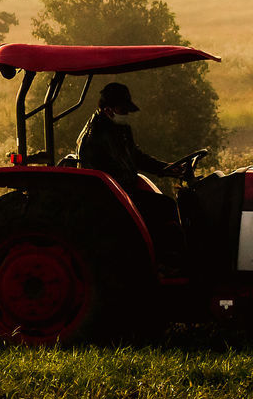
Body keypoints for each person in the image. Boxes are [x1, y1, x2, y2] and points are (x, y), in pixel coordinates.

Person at [77, 81, 188, 272]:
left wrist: (168, 168)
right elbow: (95, 175)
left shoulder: (119, 130)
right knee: (165, 206)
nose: (127, 114)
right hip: (112, 197)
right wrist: (124, 190)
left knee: (166, 204)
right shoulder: (93, 137)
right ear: (109, 110)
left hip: (125, 191)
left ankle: (171, 257)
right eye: (123, 110)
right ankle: (164, 260)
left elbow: (137, 157)